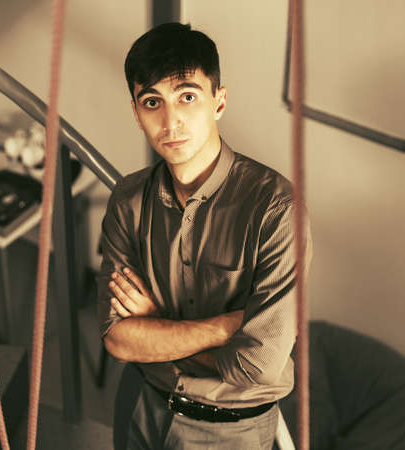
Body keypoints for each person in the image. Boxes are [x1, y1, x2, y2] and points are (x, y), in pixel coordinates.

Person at [97, 22, 312, 450]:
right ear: (136, 113)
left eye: (187, 97)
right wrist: (227, 327)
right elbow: (119, 339)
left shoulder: (277, 209)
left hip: (231, 429)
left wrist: (156, 320)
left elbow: (257, 368)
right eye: (152, 102)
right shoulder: (128, 199)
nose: (171, 121)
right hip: (143, 405)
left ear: (219, 101)